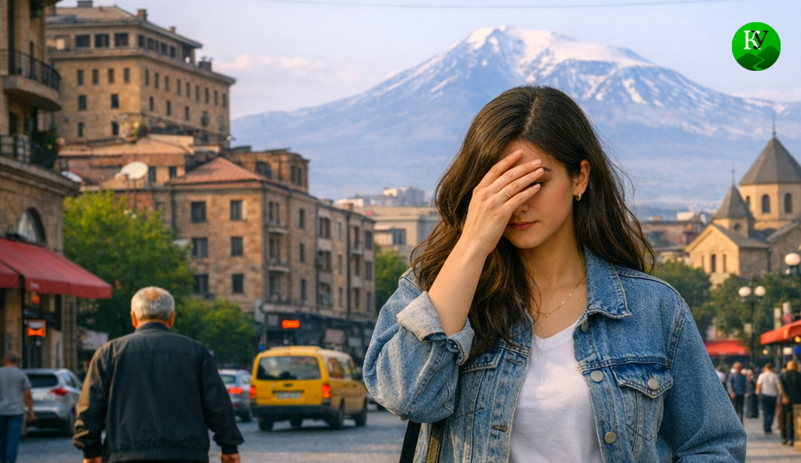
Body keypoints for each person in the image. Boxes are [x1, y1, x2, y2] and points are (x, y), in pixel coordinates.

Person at [363, 85, 746, 463]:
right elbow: (406, 397)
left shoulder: (653, 307)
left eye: (535, 182)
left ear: (579, 177)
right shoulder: (434, 288)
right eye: (501, 186)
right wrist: (472, 245)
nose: (518, 203)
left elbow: (714, 445)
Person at [74, 287, 244, 463]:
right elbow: (217, 405)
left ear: (133, 318)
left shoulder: (108, 353)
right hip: (187, 456)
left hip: (126, 456)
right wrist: (229, 446)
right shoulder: (197, 352)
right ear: (171, 318)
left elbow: (90, 408)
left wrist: (91, 450)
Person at [0, 352, 35, 463]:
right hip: (16, 410)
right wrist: (30, 410)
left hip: (1, 410)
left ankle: (2, 459)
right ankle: (9, 460)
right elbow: (27, 394)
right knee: (13, 438)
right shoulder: (21, 374)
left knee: (1, 437)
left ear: (5, 360)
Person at [779, 360, 801, 446]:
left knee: (785, 419)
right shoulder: (799, 375)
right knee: (796, 419)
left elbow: (781, 387)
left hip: (786, 401)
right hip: (798, 401)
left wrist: (784, 397)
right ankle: (793, 437)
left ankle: (785, 437)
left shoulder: (783, 375)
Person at [756, 363, 780, 434]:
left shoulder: (762, 375)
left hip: (764, 395)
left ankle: (766, 426)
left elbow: (758, 385)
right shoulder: (775, 376)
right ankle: (769, 426)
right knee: (772, 412)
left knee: (765, 411)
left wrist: (757, 392)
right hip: (773, 395)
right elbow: (778, 386)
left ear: (766, 368)